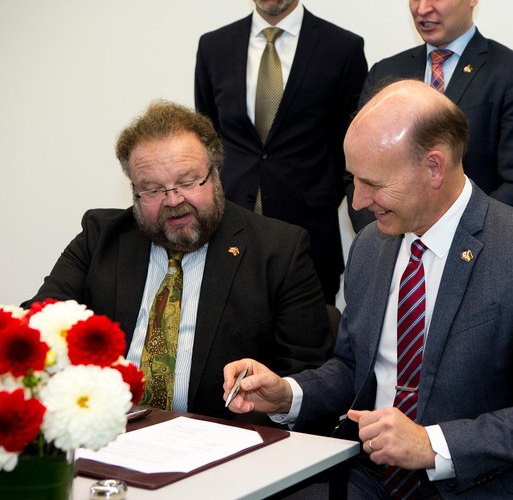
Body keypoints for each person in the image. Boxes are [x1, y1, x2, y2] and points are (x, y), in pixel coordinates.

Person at [224, 80, 513, 498]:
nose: (359, 201)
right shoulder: (371, 247)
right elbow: (354, 368)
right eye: (354, 180)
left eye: (374, 184)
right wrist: (288, 395)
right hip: (371, 478)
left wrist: (432, 444)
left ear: (434, 167)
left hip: (485, 483)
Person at [22, 100, 334, 422]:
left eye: (187, 182)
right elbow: (39, 320)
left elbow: (308, 379)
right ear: (134, 191)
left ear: (215, 175)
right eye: (153, 189)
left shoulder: (278, 249)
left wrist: (281, 398)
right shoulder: (101, 238)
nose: (174, 201)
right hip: (111, 435)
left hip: (226, 446)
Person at [194, 0, 368, 304]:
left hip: (311, 238)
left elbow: (352, 146)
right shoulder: (214, 47)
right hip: (228, 233)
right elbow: (208, 139)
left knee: (310, 345)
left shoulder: (342, 48)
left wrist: (323, 195)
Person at [347, 0, 513, 232]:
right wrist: (380, 240)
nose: (422, 9)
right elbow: (357, 169)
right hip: (394, 247)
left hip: (474, 247)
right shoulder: (385, 72)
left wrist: (450, 238)